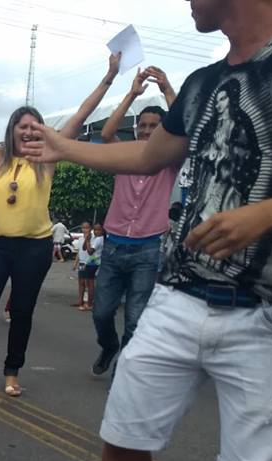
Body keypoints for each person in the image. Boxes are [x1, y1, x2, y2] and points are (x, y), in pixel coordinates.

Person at [24, 0, 272, 461]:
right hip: (179, 293)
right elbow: (149, 153)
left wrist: (271, 210)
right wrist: (65, 146)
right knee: (122, 433)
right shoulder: (203, 84)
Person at [0, 54, 121, 396]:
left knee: (21, 311)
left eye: (35, 127)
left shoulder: (47, 159)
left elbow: (80, 117)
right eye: (23, 127)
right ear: (12, 131)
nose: (29, 131)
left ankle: (12, 370)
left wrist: (108, 77)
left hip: (34, 247)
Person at [92, 66, 179, 376]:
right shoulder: (124, 155)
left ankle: (123, 367)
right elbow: (105, 134)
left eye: (154, 126)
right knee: (101, 313)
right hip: (115, 245)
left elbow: (190, 127)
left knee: (135, 318)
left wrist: (168, 87)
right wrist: (132, 93)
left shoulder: (170, 160)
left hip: (148, 248)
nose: (146, 131)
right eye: (142, 126)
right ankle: (109, 346)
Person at [72, 221, 93, 308]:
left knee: (88, 283)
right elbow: (79, 252)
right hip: (82, 262)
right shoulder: (80, 239)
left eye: (87, 228)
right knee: (81, 282)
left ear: (90, 228)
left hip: (90, 263)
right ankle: (80, 300)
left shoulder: (93, 239)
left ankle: (88, 301)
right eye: (83, 228)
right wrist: (75, 263)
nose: (85, 230)